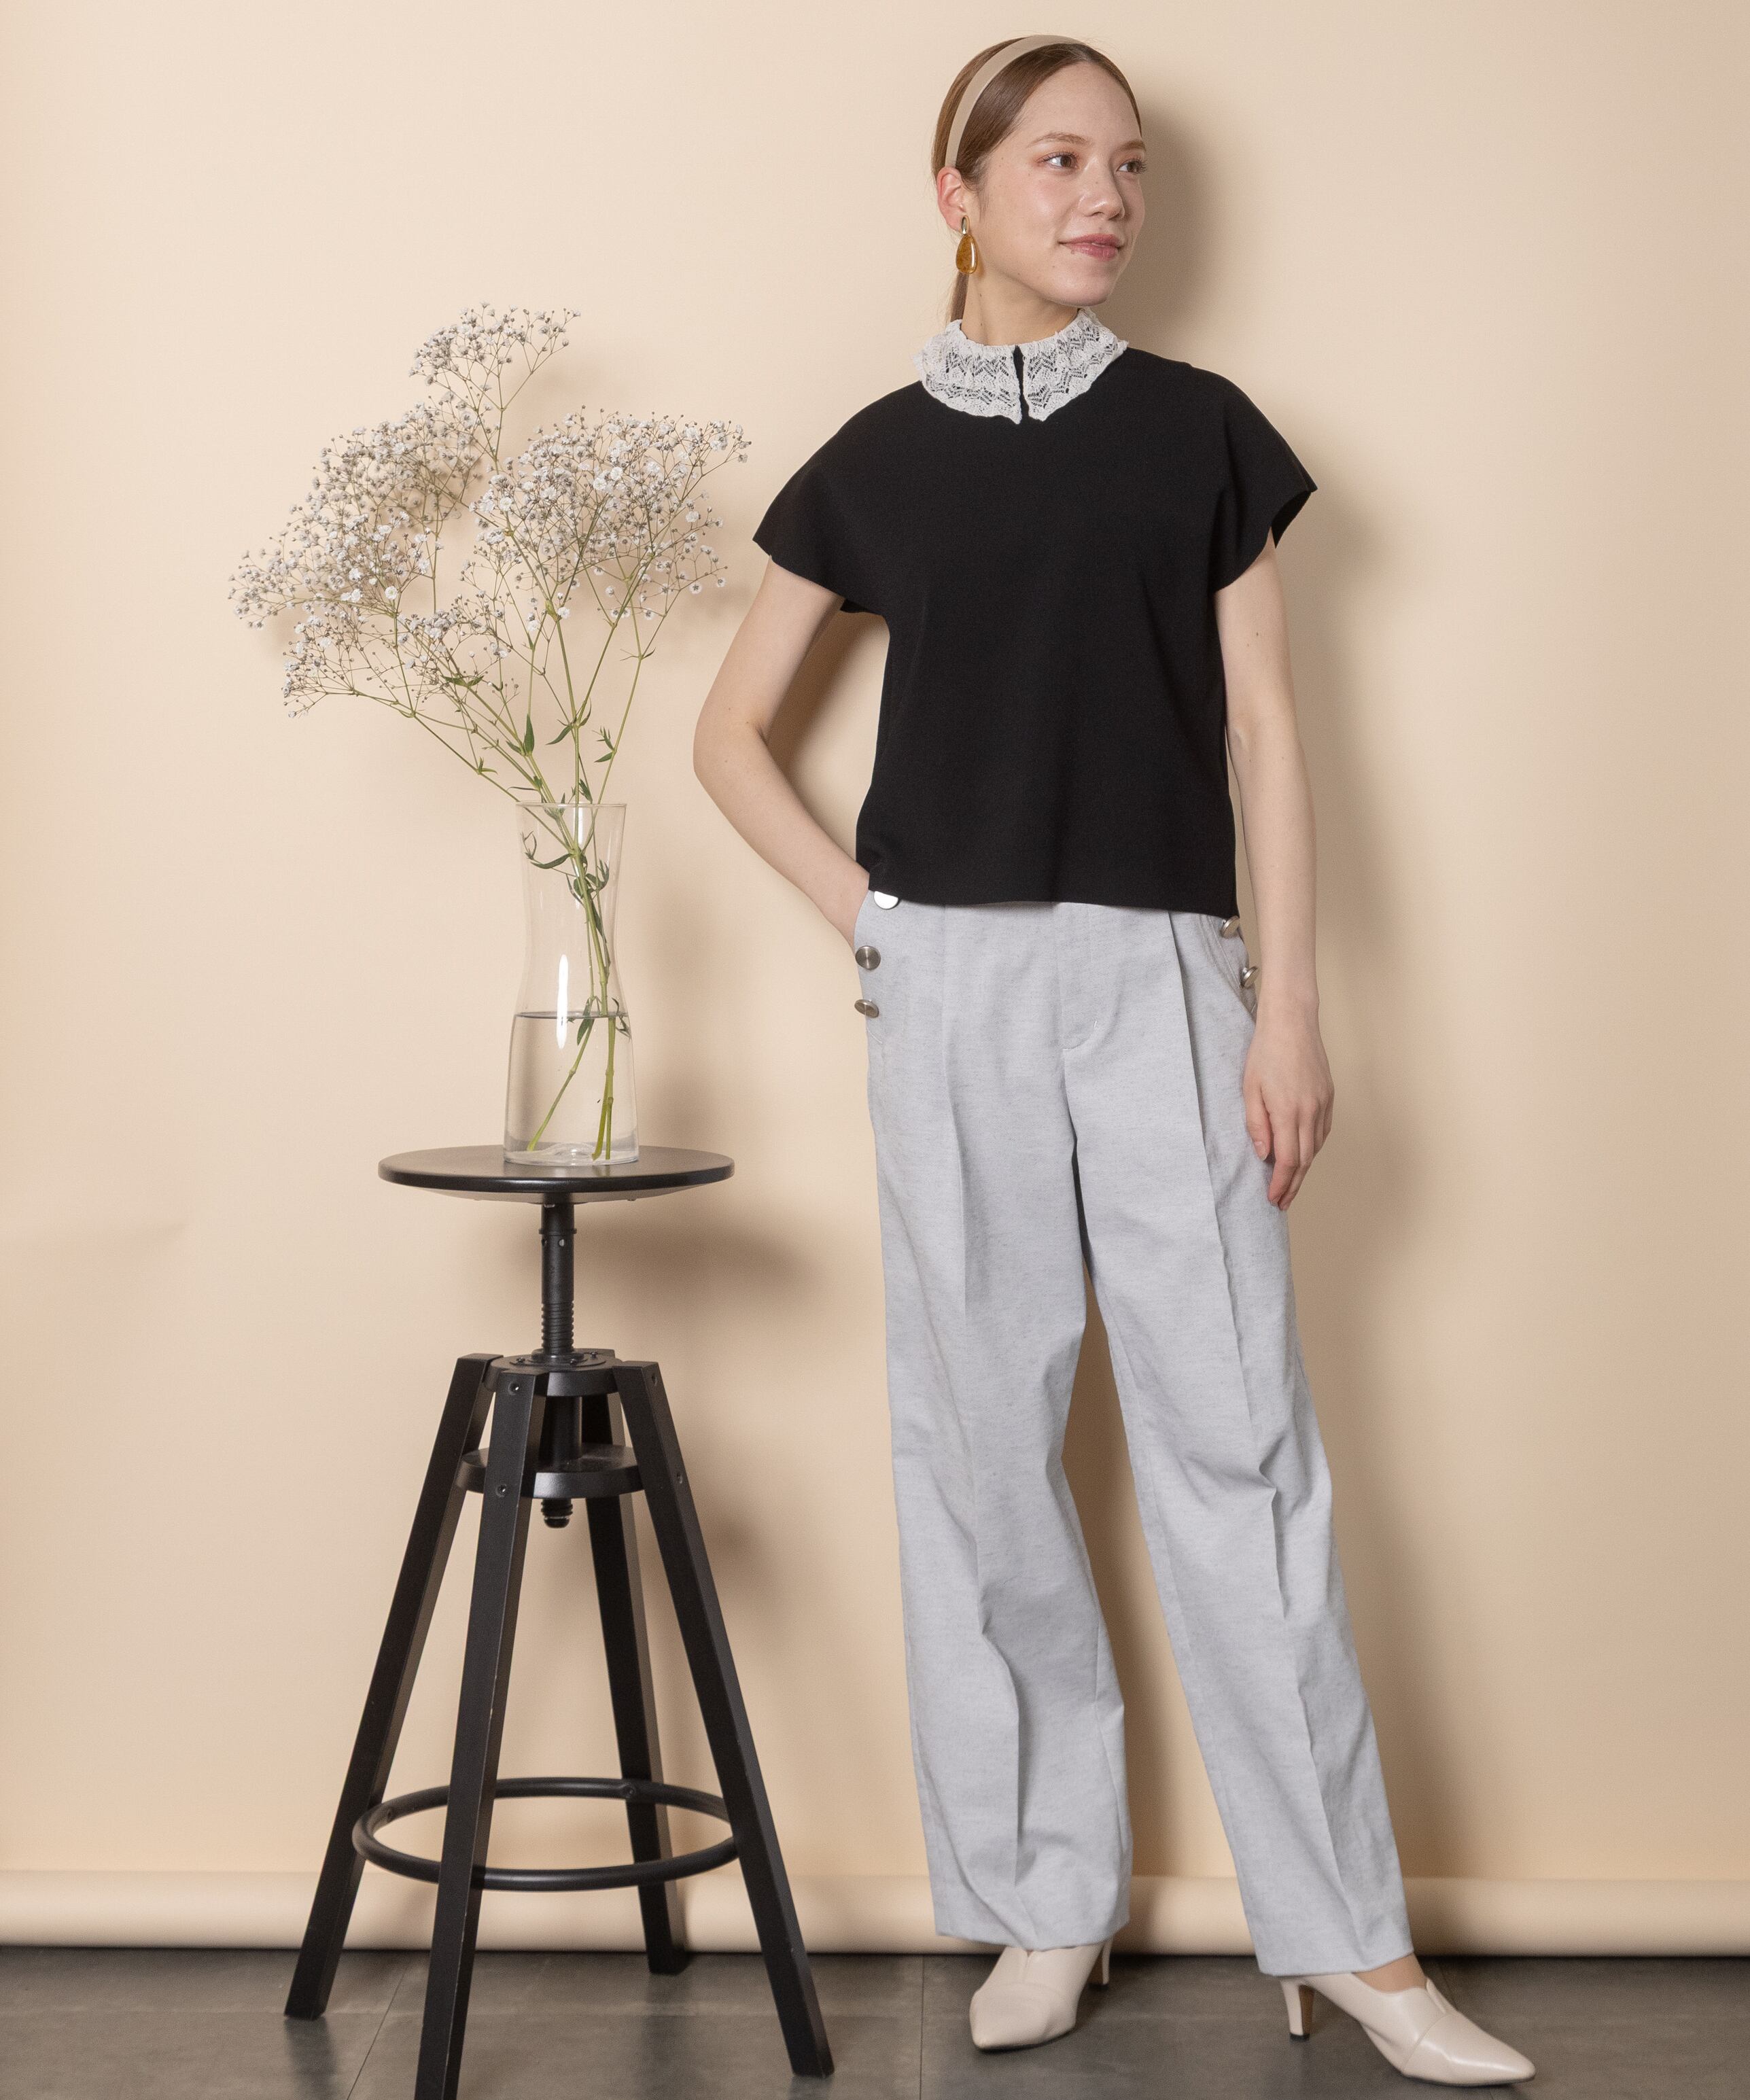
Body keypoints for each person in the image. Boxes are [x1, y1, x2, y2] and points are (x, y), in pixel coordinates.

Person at [693, 34, 1535, 2088]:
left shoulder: (1199, 435)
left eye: (1130, 167)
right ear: (961, 191)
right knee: (980, 1442)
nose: (1105, 199)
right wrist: (875, 923)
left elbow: (1266, 733)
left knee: (1241, 1446)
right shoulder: (875, 460)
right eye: (1061, 160)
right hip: (949, 987)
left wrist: (1289, 1006)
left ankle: (1351, 1941)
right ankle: (1042, 1897)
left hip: (1168, 971)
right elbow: (729, 739)